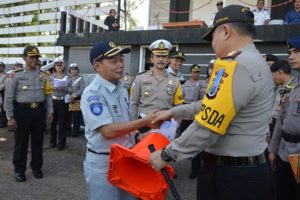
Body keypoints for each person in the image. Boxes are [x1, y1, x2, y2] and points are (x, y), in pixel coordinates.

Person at [149, 5, 274, 200]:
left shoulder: (235, 66)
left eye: (211, 38)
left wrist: (166, 155)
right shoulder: (255, 61)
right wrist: (172, 112)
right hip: (246, 173)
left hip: (232, 178)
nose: (212, 45)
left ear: (225, 31)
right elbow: (212, 105)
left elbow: (208, 124)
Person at [80, 41, 157, 200]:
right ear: (97, 65)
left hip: (127, 160)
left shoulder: (121, 87)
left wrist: (137, 135)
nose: (120, 65)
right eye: (113, 61)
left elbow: (125, 120)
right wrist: (144, 122)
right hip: (104, 164)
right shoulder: (93, 93)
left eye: (121, 59)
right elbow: (108, 130)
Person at [4, 46, 53, 182]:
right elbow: (8, 97)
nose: (34, 60)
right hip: (22, 112)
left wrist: (50, 110)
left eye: (36, 57)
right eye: (31, 57)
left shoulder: (43, 75)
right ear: (25, 58)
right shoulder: (15, 75)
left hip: (39, 112)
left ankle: (36, 167)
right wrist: (10, 116)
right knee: (21, 142)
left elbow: (48, 94)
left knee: (38, 142)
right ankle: (19, 170)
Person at [268, 36, 300, 200]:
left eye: (296, 51)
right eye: (290, 52)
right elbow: (280, 122)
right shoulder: (292, 87)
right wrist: (273, 150)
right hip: (284, 153)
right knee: (282, 193)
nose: (291, 56)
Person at [130, 39, 183, 132]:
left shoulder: (175, 80)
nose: (161, 59)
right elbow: (133, 103)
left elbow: (178, 105)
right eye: (158, 56)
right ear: (152, 58)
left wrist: (176, 124)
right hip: (143, 123)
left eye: (164, 56)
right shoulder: (140, 78)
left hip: (166, 125)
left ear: (168, 60)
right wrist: (133, 126)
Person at [49, 58, 70, 150]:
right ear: (54, 66)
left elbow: (72, 89)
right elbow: (47, 88)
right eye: (57, 65)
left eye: (61, 65)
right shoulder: (50, 77)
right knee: (53, 122)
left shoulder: (67, 77)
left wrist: (67, 89)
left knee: (62, 123)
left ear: (63, 66)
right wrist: (52, 87)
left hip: (62, 101)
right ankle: (52, 142)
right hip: (53, 100)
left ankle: (61, 144)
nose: (59, 66)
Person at [268, 60, 292, 142]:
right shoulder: (280, 88)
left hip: (282, 128)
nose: (272, 78)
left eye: (272, 74)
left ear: (280, 72)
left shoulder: (292, 89)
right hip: (274, 126)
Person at [66, 63, 85, 137]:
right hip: (68, 99)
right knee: (68, 117)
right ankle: (67, 132)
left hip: (77, 99)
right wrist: (70, 94)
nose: (74, 71)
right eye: (72, 69)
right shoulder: (67, 78)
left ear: (77, 70)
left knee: (76, 117)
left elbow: (82, 89)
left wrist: (75, 95)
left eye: (75, 69)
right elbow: (65, 87)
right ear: (70, 70)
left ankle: (75, 132)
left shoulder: (80, 78)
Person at [0, 62, 8, 128]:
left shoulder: (6, 75)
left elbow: (4, 84)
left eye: (1, 66)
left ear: (4, 67)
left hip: (3, 92)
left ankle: (3, 122)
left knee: (3, 108)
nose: (0, 67)